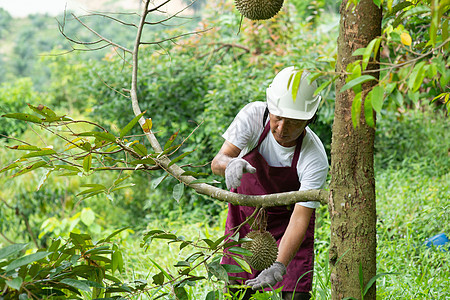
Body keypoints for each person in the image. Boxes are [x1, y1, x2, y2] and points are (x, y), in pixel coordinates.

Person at [211, 66, 329, 300]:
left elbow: (300, 217)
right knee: (237, 292)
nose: (282, 129)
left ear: (309, 119)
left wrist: (279, 265)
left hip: (288, 227)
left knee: (294, 295)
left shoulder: (314, 157)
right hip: (244, 222)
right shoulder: (253, 116)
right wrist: (231, 163)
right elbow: (218, 161)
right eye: (278, 118)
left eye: (293, 122)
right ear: (270, 108)